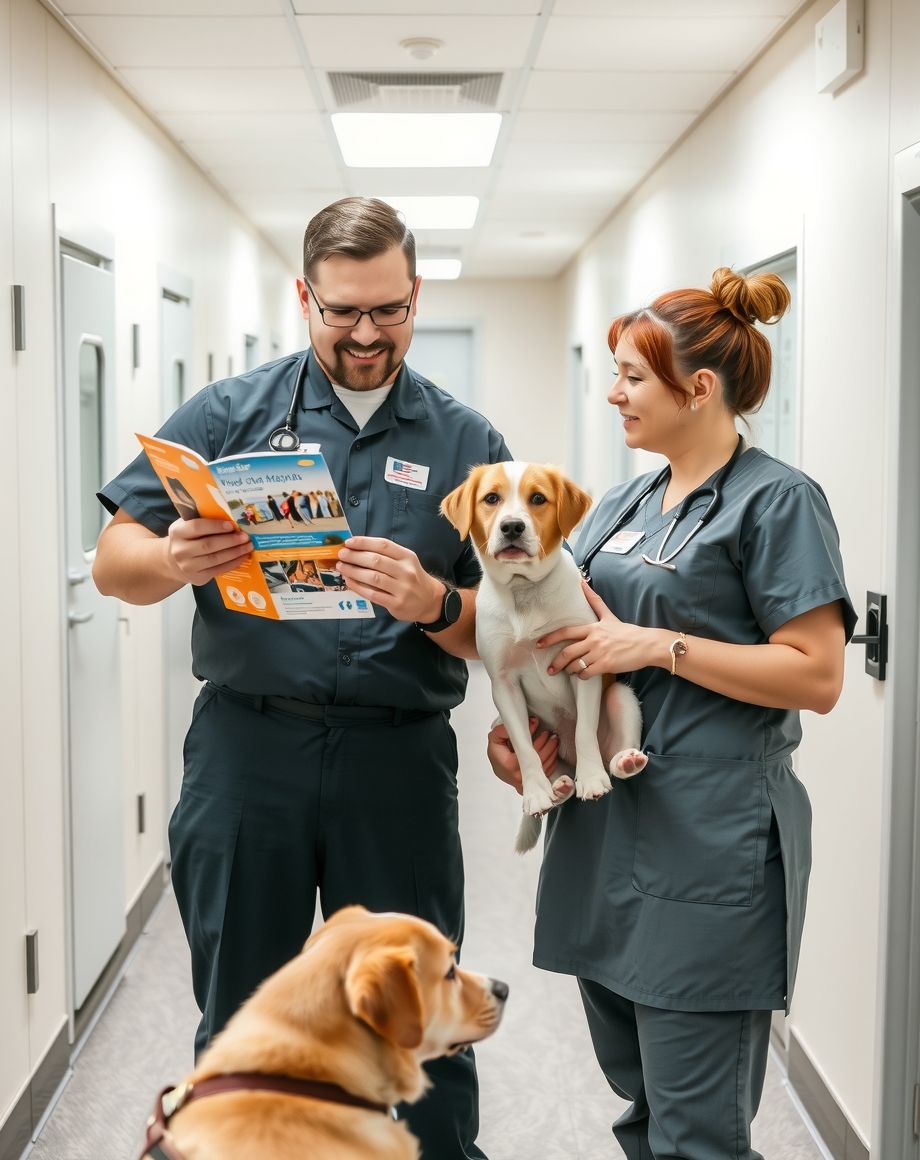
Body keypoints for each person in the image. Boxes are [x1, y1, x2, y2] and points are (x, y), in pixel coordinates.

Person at [93, 197, 511, 1160]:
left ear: (416, 294)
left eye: (388, 311)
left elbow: (508, 632)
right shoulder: (229, 415)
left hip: (396, 764)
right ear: (305, 297)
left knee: (422, 1019)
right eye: (342, 312)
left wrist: (434, 603)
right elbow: (114, 560)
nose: (366, 335)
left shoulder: (466, 443)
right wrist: (173, 558)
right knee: (244, 1014)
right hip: (248, 752)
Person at [487, 268, 855, 1160]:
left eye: (631, 377)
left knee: (697, 1129)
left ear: (699, 389)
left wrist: (658, 646)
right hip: (606, 837)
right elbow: (563, 633)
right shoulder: (622, 504)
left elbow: (817, 675)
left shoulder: (778, 501)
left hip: (708, 842)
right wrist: (534, 738)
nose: (613, 393)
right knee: (640, 1103)